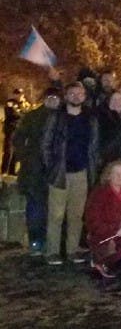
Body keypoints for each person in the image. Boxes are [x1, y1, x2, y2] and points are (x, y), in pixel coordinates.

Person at [42, 82, 100, 265]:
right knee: (56, 215)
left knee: (76, 215)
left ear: (84, 96)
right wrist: (51, 166)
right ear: (66, 96)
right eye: (72, 93)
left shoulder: (90, 119)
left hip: (81, 172)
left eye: (80, 93)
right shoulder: (56, 117)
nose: (76, 96)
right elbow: (45, 143)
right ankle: (52, 251)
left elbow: (94, 145)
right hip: (60, 172)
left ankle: (72, 250)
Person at [12, 87, 61, 254]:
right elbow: (18, 139)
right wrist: (25, 157)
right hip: (34, 170)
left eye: (56, 97)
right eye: (51, 97)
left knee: (50, 208)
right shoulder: (33, 117)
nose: (54, 100)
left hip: (53, 169)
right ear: (45, 98)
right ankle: (36, 241)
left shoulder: (60, 117)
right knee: (36, 207)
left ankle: (45, 240)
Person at [84, 160, 121, 279]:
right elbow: (92, 221)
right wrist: (114, 231)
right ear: (109, 175)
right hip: (105, 235)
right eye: (115, 173)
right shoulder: (99, 194)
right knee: (115, 254)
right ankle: (100, 260)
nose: (119, 176)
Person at [3, 87, 28, 175]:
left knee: (16, 152)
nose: (20, 96)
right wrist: (21, 112)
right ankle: (4, 170)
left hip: (19, 131)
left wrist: (22, 110)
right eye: (18, 94)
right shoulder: (10, 102)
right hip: (11, 129)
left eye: (21, 94)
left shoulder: (24, 104)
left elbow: (27, 113)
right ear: (14, 94)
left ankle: (12, 171)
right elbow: (13, 114)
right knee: (8, 151)